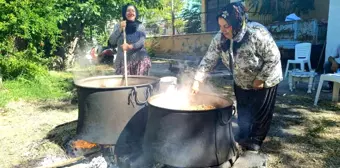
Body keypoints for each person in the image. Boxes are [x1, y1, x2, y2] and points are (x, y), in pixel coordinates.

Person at [192, 2, 283, 151]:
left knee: (261, 110)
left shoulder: (257, 33)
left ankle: (255, 140)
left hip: (266, 77)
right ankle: (243, 134)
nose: (223, 30)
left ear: (237, 21)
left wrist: (260, 79)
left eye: (226, 26)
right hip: (241, 78)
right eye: (220, 26)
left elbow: (273, 57)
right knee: (244, 108)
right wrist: (197, 80)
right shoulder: (220, 38)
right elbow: (209, 59)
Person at [108, 4, 151, 75]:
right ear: (124, 13)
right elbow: (112, 41)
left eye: (133, 11)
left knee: (139, 84)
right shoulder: (118, 26)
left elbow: (141, 42)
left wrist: (130, 46)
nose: (131, 12)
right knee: (122, 85)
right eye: (128, 11)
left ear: (136, 13)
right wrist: (120, 29)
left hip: (139, 60)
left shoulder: (140, 26)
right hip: (122, 61)